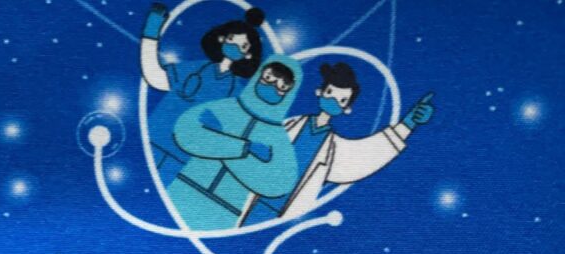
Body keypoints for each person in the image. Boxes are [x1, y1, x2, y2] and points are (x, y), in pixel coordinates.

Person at [239, 62, 435, 226]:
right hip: (254, 199)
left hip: (286, 212)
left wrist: (407, 125)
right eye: (330, 93)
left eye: (341, 100)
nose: (333, 100)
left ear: (346, 108)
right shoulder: (290, 125)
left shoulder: (333, 147)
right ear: (320, 92)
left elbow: (364, 157)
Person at [166, 55, 302, 230]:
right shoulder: (225, 108)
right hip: (183, 190)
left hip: (225, 209)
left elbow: (279, 182)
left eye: (282, 87)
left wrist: (219, 145)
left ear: (290, 93)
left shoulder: (277, 137)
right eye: (268, 78)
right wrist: (244, 148)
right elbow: (186, 131)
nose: (272, 87)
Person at [141, 3, 265, 184]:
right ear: (222, 39)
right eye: (232, 39)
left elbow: (235, 127)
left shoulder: (235, 92)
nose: (234, 46)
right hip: (153, 140)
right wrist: (151, 31)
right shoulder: (196, 69)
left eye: (243, 46)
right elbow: (155, 77)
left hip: (184, 155)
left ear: (249, 55)